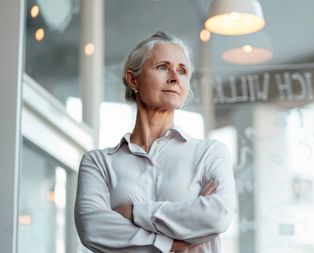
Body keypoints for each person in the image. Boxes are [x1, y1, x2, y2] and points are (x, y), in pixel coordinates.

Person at [74, 31, 236, 253]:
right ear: (133, 80)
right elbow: (92, 229)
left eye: (182, 70)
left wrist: (134, 213)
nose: (174, 77)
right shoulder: (99, 163)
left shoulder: (210, 153)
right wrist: (171, 243)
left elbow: (218, 216)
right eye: (162, 67)